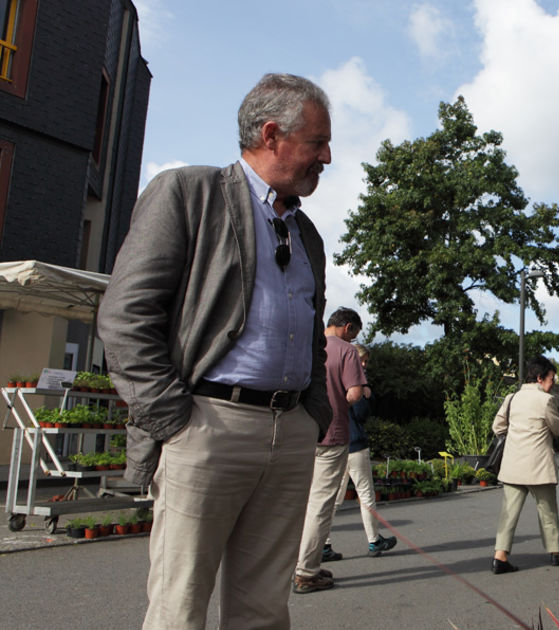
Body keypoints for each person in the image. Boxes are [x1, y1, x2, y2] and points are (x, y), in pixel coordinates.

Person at [98, 73, 333, 629]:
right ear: (272, 134)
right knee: (179, 607)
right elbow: (125, 316)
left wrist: (311, 414)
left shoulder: (308, 235)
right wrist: (175, 419)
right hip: (206, 427)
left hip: (288, 427)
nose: (327, 155)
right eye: (317, 142)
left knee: (264, 611)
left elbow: (313, 332)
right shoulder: (188, 193)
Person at [293, 307, 368, 593]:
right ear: (348, 327)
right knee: (320, 503)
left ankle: (292, 562)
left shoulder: (305, 341)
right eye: (355, 333)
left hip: (297, 432)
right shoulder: (347, 352)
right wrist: (340, 401)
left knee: (294, 500)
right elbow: (355, 393)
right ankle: (306, 570)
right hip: (331, 433)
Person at [490, 354, 559, 574]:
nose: (552, 383)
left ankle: (500, 556)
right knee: (547, 511)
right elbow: (558, 429)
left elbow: (497, 426)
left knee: (508, 513)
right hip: (538, 465)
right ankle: (556, 553)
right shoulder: (545, 400)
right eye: (551, 378)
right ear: (539, 378)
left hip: (513, 465)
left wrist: (516, 435)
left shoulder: (512, 397)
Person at [328, 343, 397, 559]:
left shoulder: (331, 377)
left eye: (366, 361)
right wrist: (366, 393)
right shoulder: (355, 383)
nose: (365, 364)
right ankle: (374, 540)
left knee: (332, 497)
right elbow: (361, 414)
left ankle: (322, 543)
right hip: (354, 443)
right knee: (365, 493)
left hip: (332, 442)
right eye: (362, 360)